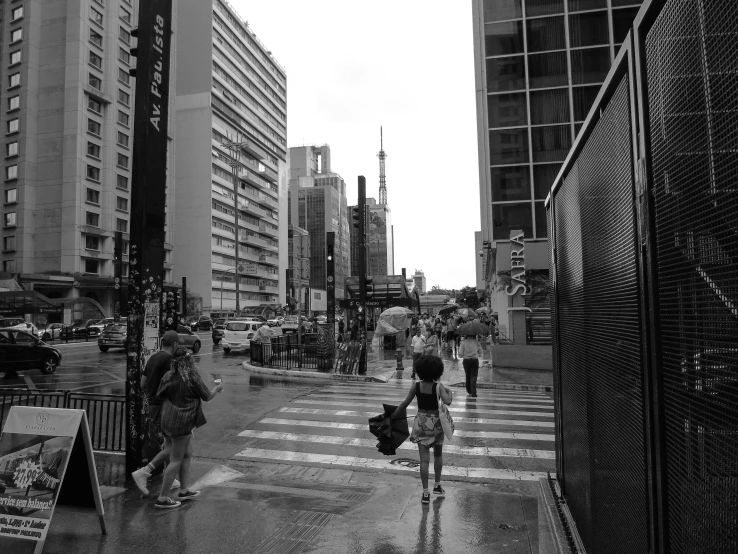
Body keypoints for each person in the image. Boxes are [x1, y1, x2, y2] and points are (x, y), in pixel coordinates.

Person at [155, 346, 224, 509]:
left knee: (187, 453)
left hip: (167, 419)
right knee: (176, 459)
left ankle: (184, 490)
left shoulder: (168, 375)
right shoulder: (191, 376)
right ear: (188, 361)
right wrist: (217, 388)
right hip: (183, 421)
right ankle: (163, 498)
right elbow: (207, 396)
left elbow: (159, 394)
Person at [390, 355, 452, 504]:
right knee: (438, 455)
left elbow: (404, 404)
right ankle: (437, 485)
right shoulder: (438, 386)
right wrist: (450, 392)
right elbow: (448, 401)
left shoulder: (416, 386)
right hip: (436, 425)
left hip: (421, 425)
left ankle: (425, 494)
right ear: (437, 371)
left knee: (424, 461)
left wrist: (391, 417)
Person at [131, 330, 181, 496]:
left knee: (167, 442)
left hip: (153, 404)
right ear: (174, 345)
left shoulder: (152, 357)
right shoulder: (168, 359)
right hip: (164, 405)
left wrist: (152, 393)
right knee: (174, 445)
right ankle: (144, 472)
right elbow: (172, 383)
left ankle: (170, 477)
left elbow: (142, 383)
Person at [458, 333, 483, 397]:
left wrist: (463, 355)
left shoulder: (463, 342)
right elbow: (481, 352)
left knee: (468, 375)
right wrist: (478, 355)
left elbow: (460, 353)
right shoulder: (477, 342)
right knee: (474, 376)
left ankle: (469, 390)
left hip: (466, 361)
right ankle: (473, 392)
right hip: (474, 360)